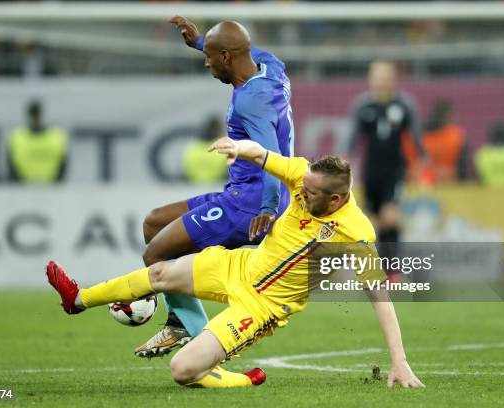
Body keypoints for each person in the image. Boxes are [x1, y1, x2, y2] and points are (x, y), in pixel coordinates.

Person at [46, 136, 424, 389]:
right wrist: (237, 147)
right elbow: (261, 154)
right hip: (240, 266)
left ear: (337, 200)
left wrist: (399, 361)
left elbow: (380, 297)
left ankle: (242, 379)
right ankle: (76, 300)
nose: (300, 194)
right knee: (159, 271)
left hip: (262, 307)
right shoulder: (301, 175)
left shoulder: (356, 233)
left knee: (182, 371)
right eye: (302, 187)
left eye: (310, 194)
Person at [136, 16, 295, 358]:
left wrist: (268, 208)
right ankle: (183, 321)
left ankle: (185, 329)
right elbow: (249, 47)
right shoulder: (273, 67)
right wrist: (198, 42)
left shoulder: (251, 101)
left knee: (156, 256)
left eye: (209, 55)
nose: (205, 62)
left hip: (250, 205)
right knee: (153, 223)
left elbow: (270, 156)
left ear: (226, 57)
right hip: (237, 193)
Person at [347, 61, 425, 255]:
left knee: (391, 217)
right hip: (371, 172)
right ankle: (380, 271)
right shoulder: (362, 105)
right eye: (378, 77)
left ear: (393, 79)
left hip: (395, 171)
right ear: (371, 79)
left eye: (386, 77)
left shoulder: (405, 105)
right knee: (374, 223)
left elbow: (417, 140)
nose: (382, 81)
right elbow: (350, 140)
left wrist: (420, 165)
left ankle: (392, 272)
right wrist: (345, 166)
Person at [403, 99, 467, 184]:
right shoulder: (457, 136)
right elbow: (463, 173)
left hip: (417, 185)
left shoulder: (409, 137)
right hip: (448, 186)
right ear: (448, 116)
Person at [7, 100, 68, 183]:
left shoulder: (56, 136)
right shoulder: (17, 137)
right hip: (25, 188)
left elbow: (62, 165)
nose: (35, 119)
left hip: (50, 188)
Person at [182, 115, 228, 183]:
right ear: (218, 131)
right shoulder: (225, 148)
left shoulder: (192, 148)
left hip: (194, 185)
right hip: (218, 185)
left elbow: (186, 171)